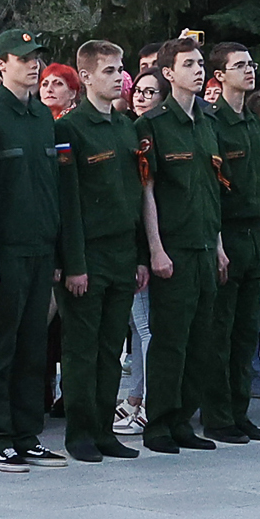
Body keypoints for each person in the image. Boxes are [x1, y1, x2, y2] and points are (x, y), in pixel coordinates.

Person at [0, 30, 64, 469]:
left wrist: (59, 254)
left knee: (33, 346)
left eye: (36, 57)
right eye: (22, 58)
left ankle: (28, 433)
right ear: (0, 65)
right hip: (4, 251)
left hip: (40, 248)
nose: (33, 65)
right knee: (0, 346)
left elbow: (52, 190)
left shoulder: (43, 117)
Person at [56, 42, 148, 458]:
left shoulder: (127, 126)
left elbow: (136, 196)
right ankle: (80, 434)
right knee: (82, 349)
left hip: (122, 251)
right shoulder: (70, 128)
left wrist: (142, 256)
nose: (118, 77)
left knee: (112, 348)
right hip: (88, 254)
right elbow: (68, 201)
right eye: (109, 70)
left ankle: (104, 430)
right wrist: (73, 264)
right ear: (87, 77)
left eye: (120, 69)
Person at [141, 37, 230, 451]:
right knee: (170, 339)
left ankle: (183, 421)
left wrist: (218, 244)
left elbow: (212, 189)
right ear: (168, 73)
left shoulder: (209, 122)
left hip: (203, 243)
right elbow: (149, 191)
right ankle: (158, 423)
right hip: (173, 246)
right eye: (188, 64)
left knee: (201, 337)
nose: (198, 70)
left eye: (200, 63)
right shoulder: (154, 125)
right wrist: (156, 248)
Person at [203, 41, 260, 444]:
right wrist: (218, 243)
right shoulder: (213, 122)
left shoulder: (252, 124)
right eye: (239, 66)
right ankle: (217, 415)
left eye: (251, 65)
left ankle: (239, 411)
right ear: (220, 76)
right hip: (227, 231)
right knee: (222, 330)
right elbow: (213, 189)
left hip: (252, 232)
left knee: (247, 329)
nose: (249, 71)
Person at [120, 66, 167, 438]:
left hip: (150, 244)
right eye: (138, 89)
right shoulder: (128, 128)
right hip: (127, 242)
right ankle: (136, 398)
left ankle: (149, 401)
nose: (140, 96)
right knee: (137, 330)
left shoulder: (152, 134)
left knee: (147, 327)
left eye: (150, 92)